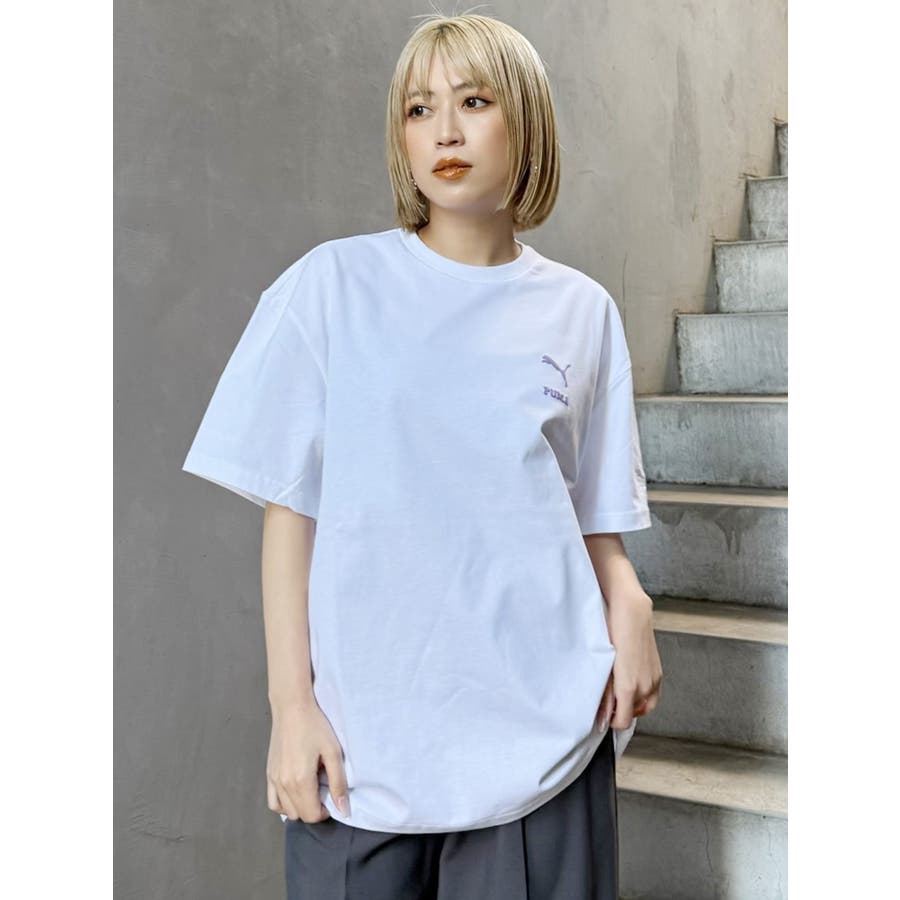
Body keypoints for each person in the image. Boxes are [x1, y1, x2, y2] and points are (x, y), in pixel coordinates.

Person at [182, 11, 662, 900]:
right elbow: (291, 512)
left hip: (546, 732)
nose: (444, 130)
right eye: (418, 108)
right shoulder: (332, 286)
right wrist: (292, 707)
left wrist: (629, 603)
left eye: (473, 102)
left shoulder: (582, 310)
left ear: (526, 122)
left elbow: (591, 512)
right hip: (362, 746)